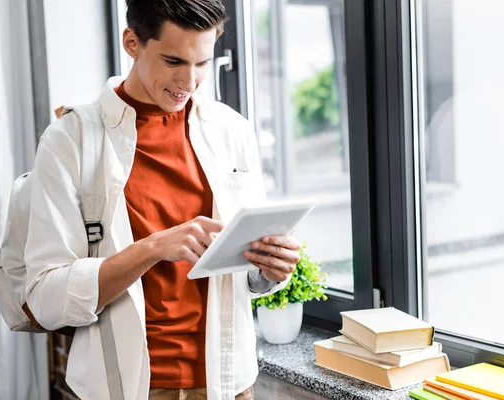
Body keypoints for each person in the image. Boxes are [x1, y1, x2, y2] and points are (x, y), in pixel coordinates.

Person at [23, 1, 302, 399]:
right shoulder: (71, 141)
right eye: (174, 61)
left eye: (202, 63)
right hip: (127, 387)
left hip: (228, 383)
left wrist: (269, 267)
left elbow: (248, 275)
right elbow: (45, 297)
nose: (189, 81)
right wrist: (153, 248)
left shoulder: (232, 131)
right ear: (132, 42)